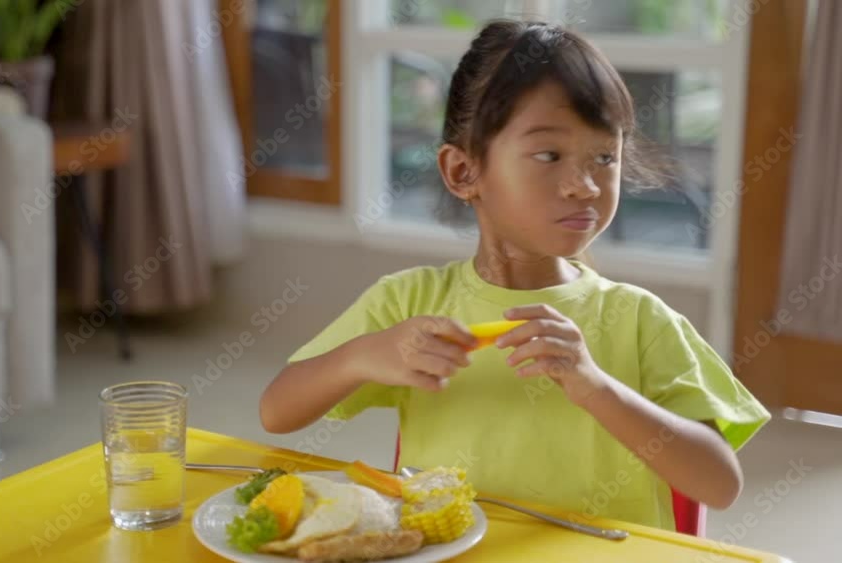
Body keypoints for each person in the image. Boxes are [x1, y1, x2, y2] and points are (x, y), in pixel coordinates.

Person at [259, 19, 770, 531]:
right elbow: (277, 413)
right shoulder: (407, 301)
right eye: (549, 155)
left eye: (604, 158)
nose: (585, 186)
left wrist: (594, 386)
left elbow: (719, 484)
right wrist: (363, 356)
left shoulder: (641, 319)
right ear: (463, 172)